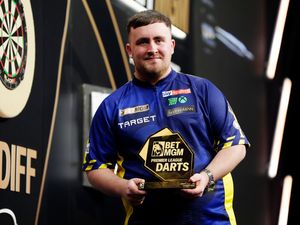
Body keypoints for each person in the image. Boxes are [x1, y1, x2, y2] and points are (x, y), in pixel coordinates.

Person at [83, 9, 250, 225]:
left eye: (159, 40)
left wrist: (206, 176)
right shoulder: (112, 106)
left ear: (171, 45)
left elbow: (236, 146)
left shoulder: (203, 91)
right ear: (129, 50)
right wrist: (124, 188)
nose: (152, 49)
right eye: (143, 42)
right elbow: (95, 167)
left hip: (212, 219)